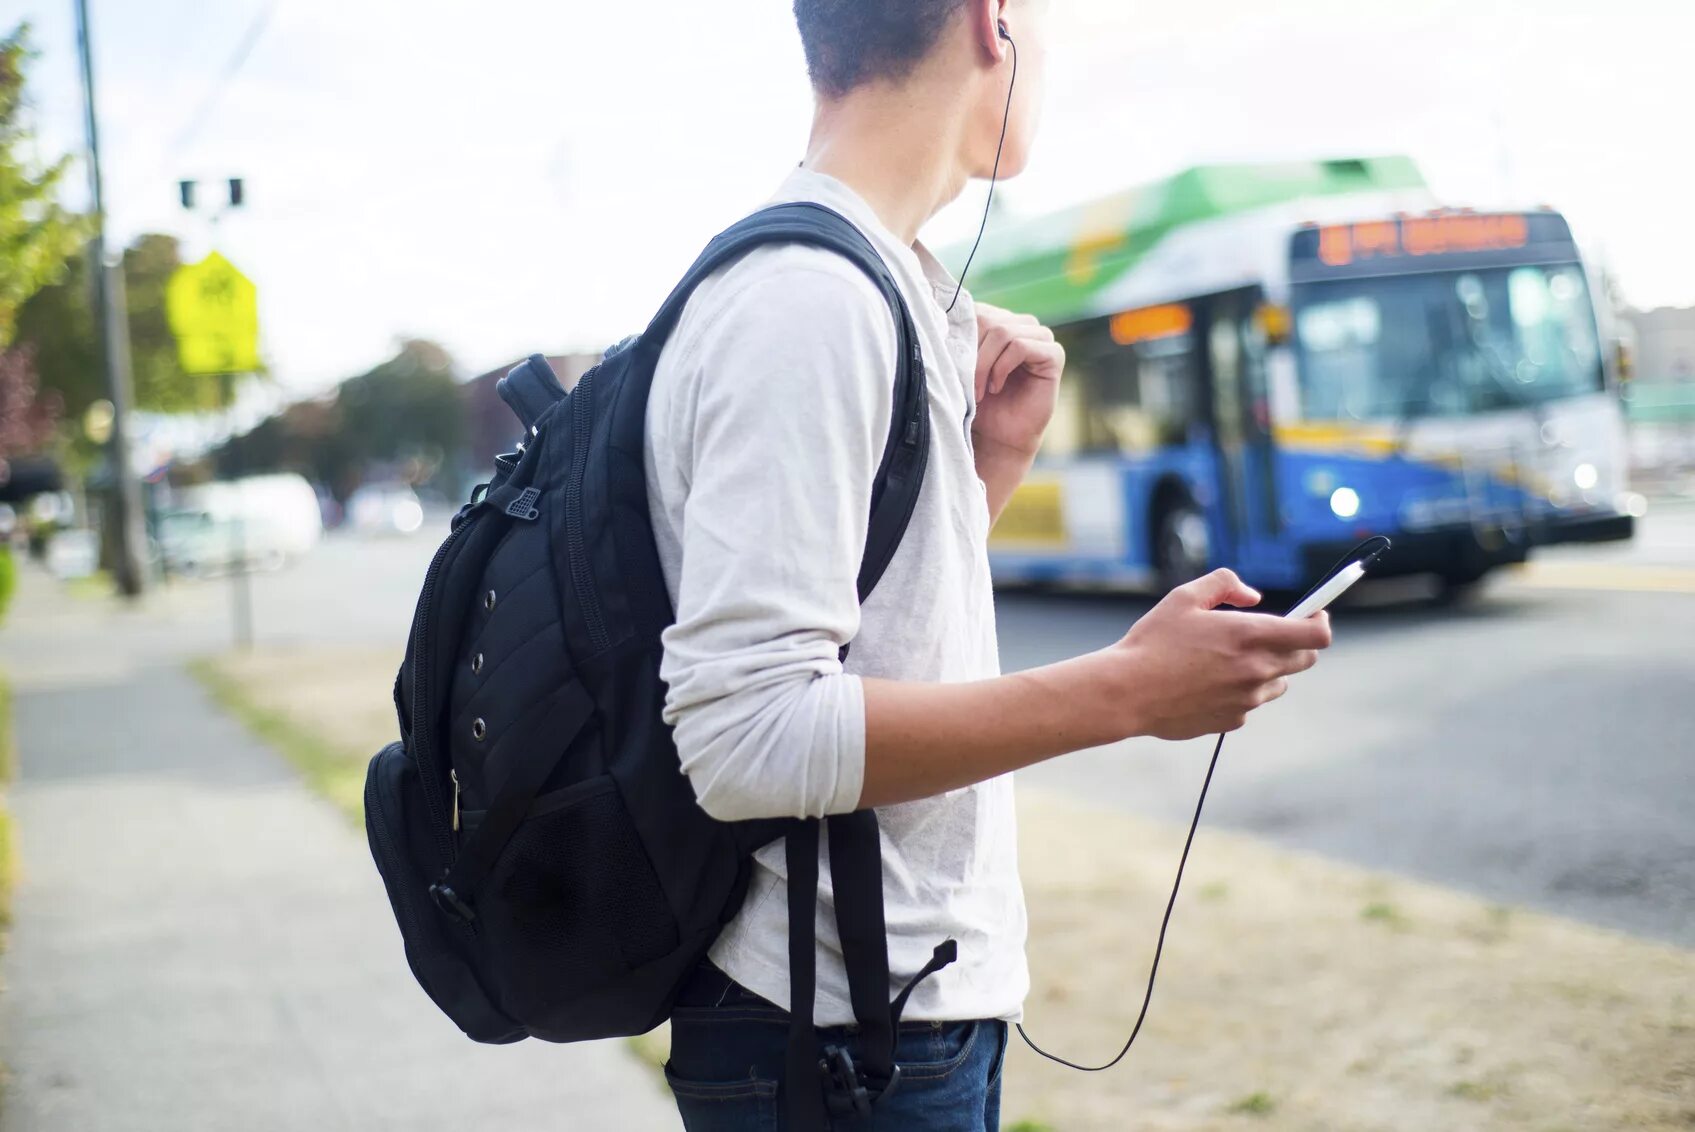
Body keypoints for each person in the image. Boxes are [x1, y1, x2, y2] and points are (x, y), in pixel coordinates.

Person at [645, 1, 1333, 1127]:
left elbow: (872, 629)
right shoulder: (812, 302)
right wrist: (1127, 689)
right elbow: (743, 736)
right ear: (989, 22)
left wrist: (982, 471)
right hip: (833, 1026)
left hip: (883, 1009)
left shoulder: (881, 278)